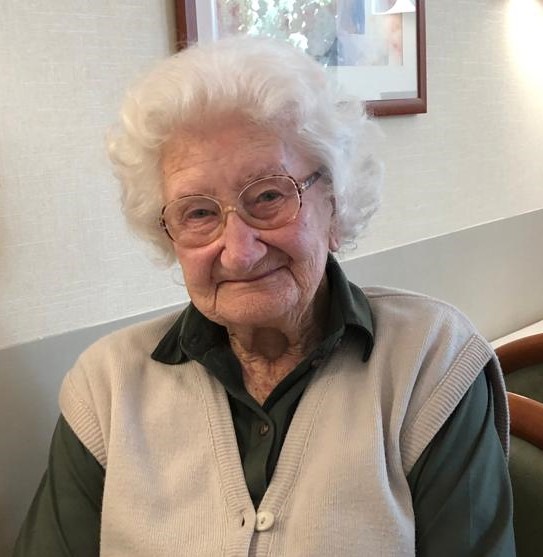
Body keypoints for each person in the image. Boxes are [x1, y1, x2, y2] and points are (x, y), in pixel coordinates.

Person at [14, 37, 515, 556]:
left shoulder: (432, 362)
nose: (239, 253)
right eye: (198, 213)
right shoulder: (107, 387)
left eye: (269, 196)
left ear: (335, 204)